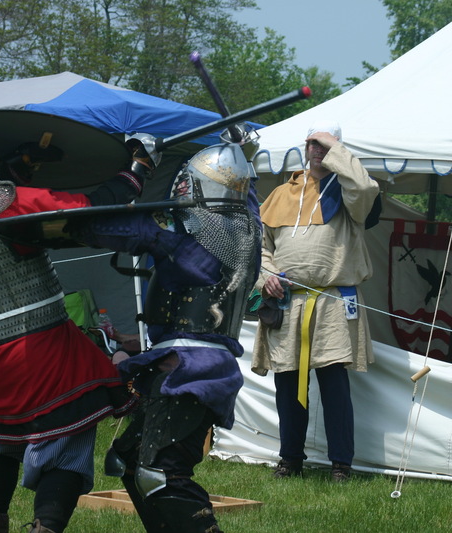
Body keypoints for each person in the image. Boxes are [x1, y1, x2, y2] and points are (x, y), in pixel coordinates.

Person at [0, 120, 154, 533]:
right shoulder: (6, 206)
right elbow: (91, 207)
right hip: (39, 352)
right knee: (68, 445)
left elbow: (6, 219)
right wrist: (137, 169)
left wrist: (19, 167)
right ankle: (46, 526)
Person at [72, 136, 262, 533]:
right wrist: (243, 156)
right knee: (129, 462)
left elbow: (96, 224)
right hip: (203, 363)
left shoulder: (180, 233)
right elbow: (246, 196)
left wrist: (138, 170)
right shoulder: (248, 229)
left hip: (187, 369)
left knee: (160, 474)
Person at [251, 120, 381, 482]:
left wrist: (333, 146)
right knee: (287, 385)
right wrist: (266, 277)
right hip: (287, 303)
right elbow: (261, 248)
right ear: (304, 146)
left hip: (332, 302)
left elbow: (365, 187)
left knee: (334, 385)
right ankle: (290, 459)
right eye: (313, 143)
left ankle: (341, 464)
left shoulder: (351, 193)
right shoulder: (281, 194)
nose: (318, 149)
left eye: (326, 144)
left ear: (338, 148)